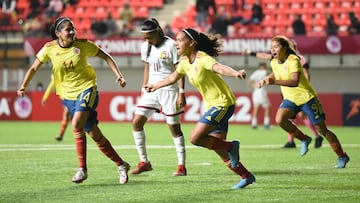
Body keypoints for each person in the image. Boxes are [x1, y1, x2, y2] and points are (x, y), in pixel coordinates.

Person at [16, 17, 131, 184]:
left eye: (73, 29)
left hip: (87, 89)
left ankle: (82, 169)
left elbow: (105, 56)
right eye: (68, 29)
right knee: (94, 134)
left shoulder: (83, 45)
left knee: (76, 124)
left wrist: (119, 76)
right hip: (67, 96)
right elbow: (34, 67)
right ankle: (121, 165)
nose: (72, 32)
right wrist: (23, 86)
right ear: (58, 33)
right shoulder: (49, 49)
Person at [145, 28, 256, 189]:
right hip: (212, 105)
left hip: (223, 103)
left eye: (181, 40)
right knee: (219, 148)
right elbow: (173, 77)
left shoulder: (203, 58)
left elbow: (220, 67)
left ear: (191, 43)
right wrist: (155, 85)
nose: (177, 43)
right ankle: (246, 176)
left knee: (195, 138)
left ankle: (233, 147)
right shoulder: (184, 62)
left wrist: (236, 73)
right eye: (176, 40)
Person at [257, 35, 349, 168]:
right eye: (271, 48)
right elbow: (275, 73)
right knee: (279, 119)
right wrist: (266, 79)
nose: (272, 50)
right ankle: (304, 138)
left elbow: (294, 81)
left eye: (275, 47)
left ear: (284, 48)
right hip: (290, 99)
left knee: (322, 129)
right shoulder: (273, 62)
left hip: (306, 98)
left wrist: (274, 82)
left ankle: (342, 156)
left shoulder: (294, 59)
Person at [130, 18, 187, 176]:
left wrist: (181, 93)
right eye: (144, 37)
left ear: (157, 32)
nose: (146, 40)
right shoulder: (146, 46)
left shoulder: (171, 45)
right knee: (137, 123)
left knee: (174, 128)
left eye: (149, 37)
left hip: (169, 89)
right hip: (151, 90)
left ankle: (181, 166)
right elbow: (147, 68)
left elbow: (180, 70)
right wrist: (144, 87)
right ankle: (144, 162)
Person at [244, 39, 324, 149]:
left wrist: (304, 87)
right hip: (287, 92)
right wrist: (250, 53)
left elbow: (306, 74)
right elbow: (265, 56)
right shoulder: (279, 59)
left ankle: (315, 136)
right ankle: (292, 140)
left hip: (300, 92)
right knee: (288, 118)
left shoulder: (299, 58)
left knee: (301, 115)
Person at [41, 76, 71, 141]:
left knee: (69, 115)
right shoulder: (57, 73)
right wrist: (45, 97)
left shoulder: (69, 70)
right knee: (68, 116)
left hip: (72, 96)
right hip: (65, 98)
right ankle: (61, 135)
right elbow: (51, 85)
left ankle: (61, 135)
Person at [247, 62, 271, 130]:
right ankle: (266, 124)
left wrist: (254, 86)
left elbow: (249, 81)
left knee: (256, 108)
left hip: (255, 92)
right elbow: (269, 74)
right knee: (268, 107)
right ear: (263, 67)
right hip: (261, 91)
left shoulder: (256, 72)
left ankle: (254, 124)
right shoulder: (264, 72)